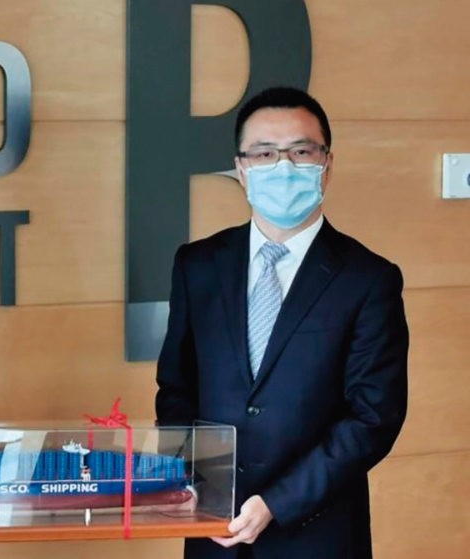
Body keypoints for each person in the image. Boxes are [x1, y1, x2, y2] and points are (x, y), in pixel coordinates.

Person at [155, 87, 408, 559]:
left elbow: (373, 417)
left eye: (301, 152)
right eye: (265, 153)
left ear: (326, 164)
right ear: (242, 169)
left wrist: (276, 503)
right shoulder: (197, 265)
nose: (284, 167)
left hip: (317, 533)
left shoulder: (369, 279)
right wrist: (190, 478)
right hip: (213, 530)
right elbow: (176, 388)